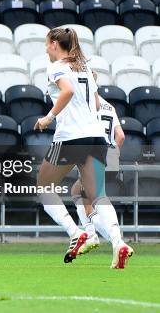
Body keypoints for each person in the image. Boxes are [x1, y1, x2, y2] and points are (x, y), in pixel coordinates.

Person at [34, 27, 133, 269]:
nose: (46, 48)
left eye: (47, 44)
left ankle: (76, 232)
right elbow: (97, 103)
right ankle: (118, 243)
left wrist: (49, 116)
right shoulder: (84, 68)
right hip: (96, 137)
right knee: (97, 195)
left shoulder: (57, 66)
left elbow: (67, 90)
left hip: (70, 137)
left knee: (44, 187)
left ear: (56, 44)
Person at [71, 71, 126, 256]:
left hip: (93, 156)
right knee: (80, 193)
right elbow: (121, 136)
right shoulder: (109, 107)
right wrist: (112, 155)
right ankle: (97, 236)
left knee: (87, 200)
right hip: (110, 158)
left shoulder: (87, 105)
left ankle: (111, 240)